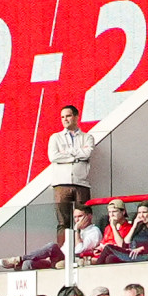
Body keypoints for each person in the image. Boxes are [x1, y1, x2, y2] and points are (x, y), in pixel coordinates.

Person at [48, 102, 97, 241]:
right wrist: (76, 156)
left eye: (68, 116)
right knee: (63, 221)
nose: (65, 119)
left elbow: (87, 153)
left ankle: (82, 249)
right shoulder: (55, 137)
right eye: (62, 117)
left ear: (76, 117)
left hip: (81, 183)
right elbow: (54, 157)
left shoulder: (87, 137)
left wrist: (67, 154)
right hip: (61, 184)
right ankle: (62, 253)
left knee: (83, 219)